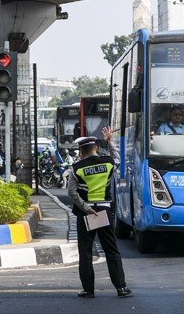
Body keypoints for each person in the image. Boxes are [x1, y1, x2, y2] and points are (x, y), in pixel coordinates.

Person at [67, 126, 132, 299]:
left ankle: (88, 290)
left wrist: (86, 208)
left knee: (86, 251)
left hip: (87, 212)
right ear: (95, 148)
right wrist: (109, 142)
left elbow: (72, 192)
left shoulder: (77, 168)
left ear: (82, 151)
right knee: (111, 249)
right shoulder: (108, 163)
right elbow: (118, 158)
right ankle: (121, 288)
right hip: (105, 210)